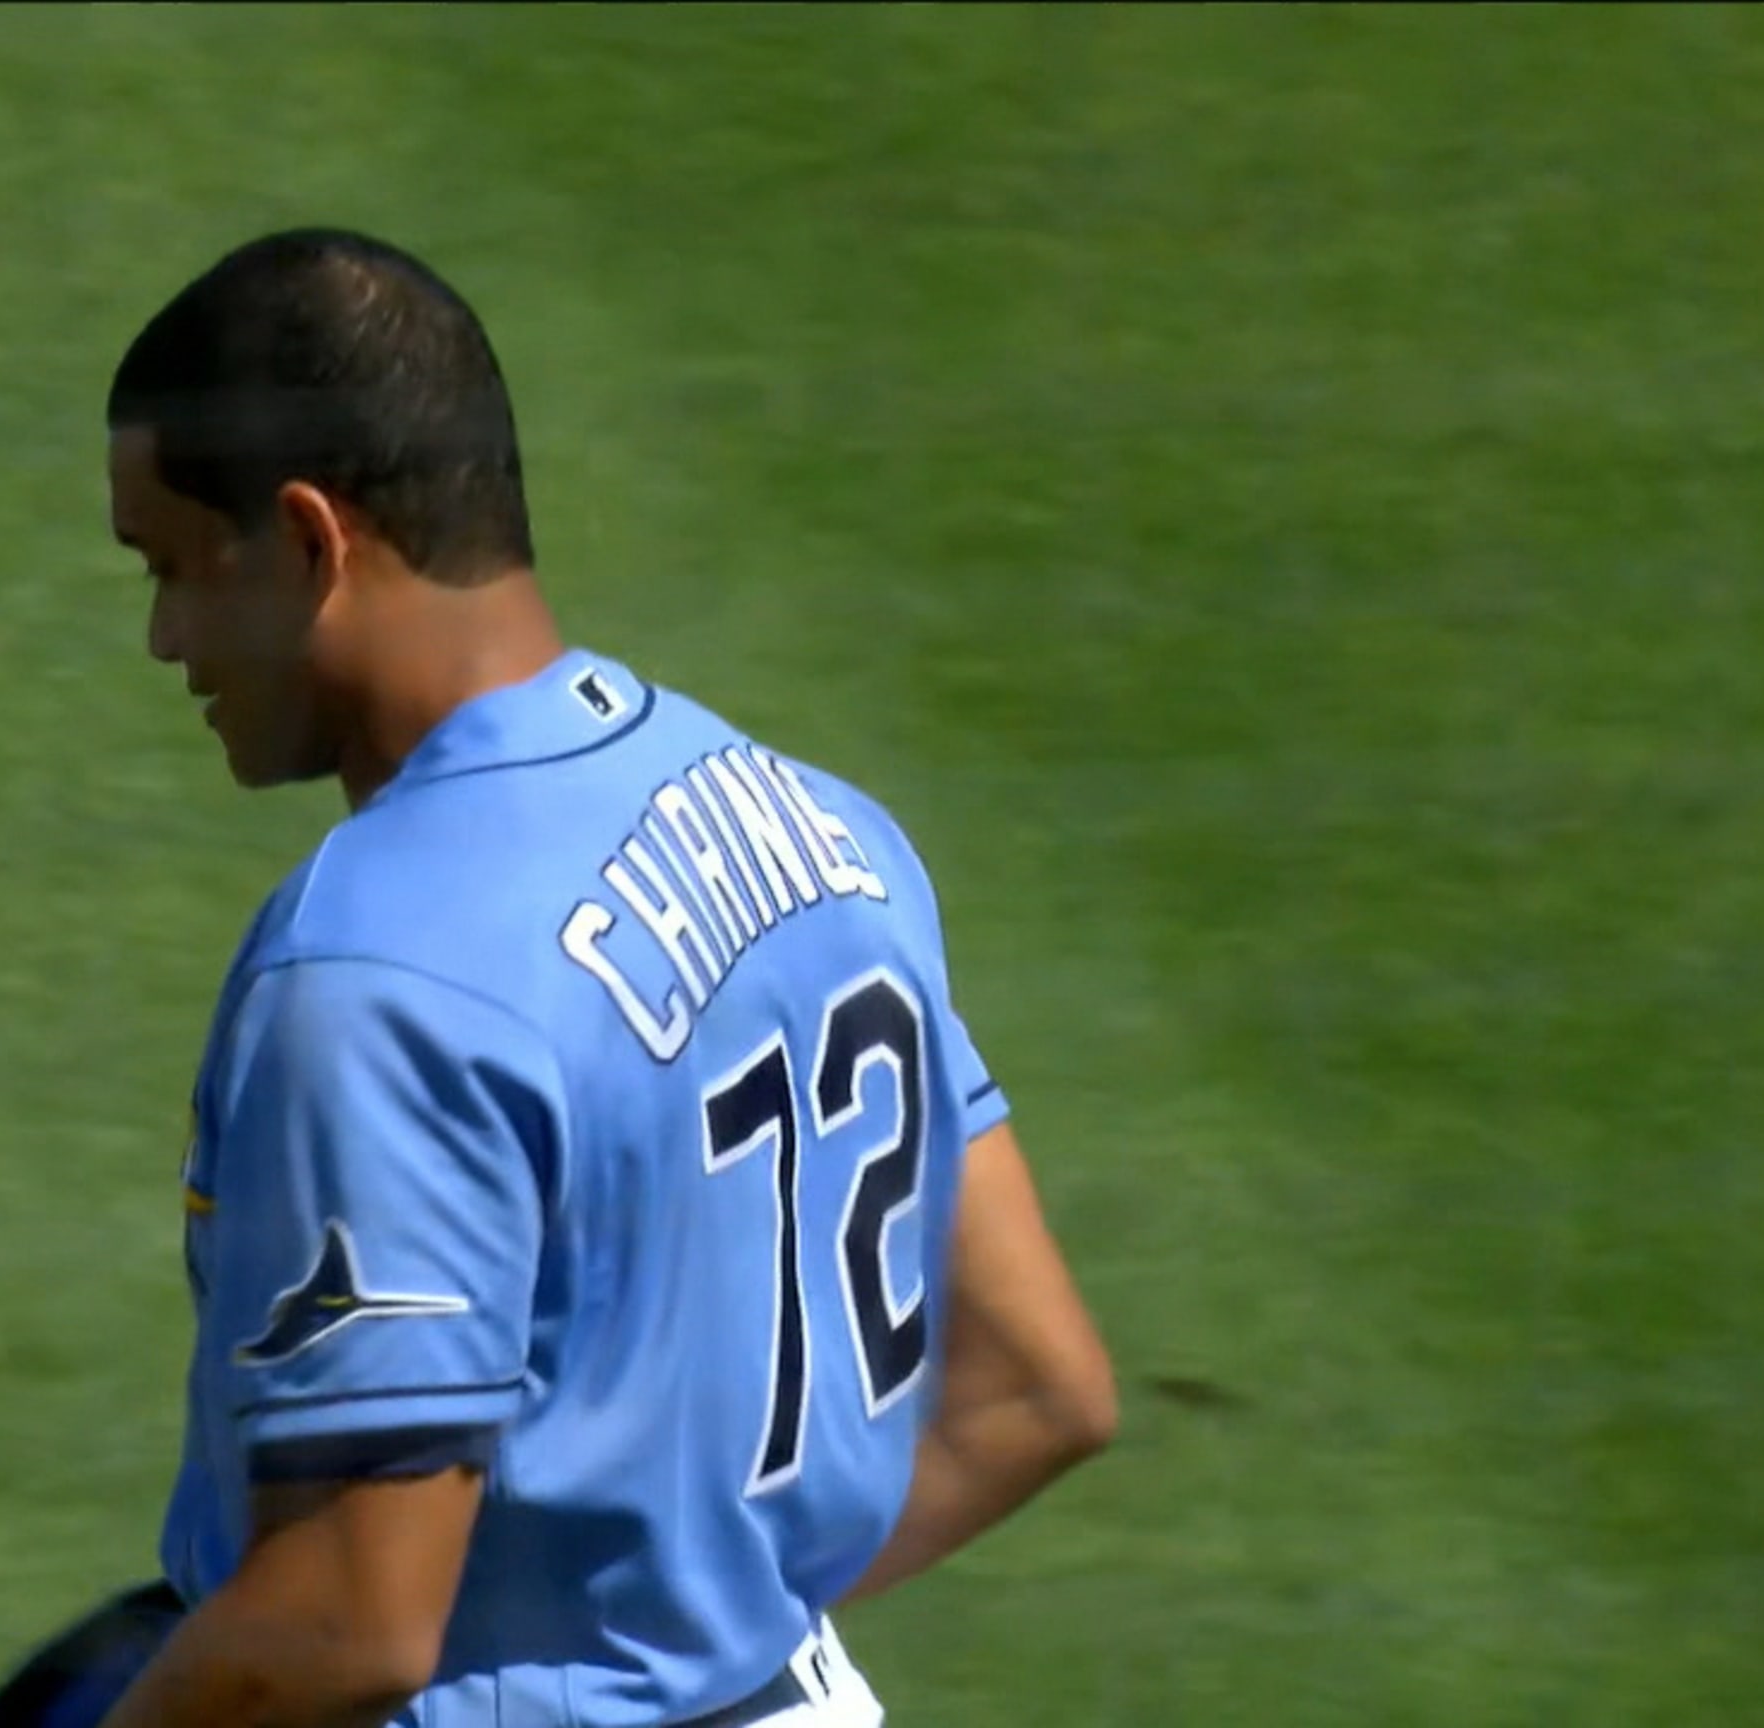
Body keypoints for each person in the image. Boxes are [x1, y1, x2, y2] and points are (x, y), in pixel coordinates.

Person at [88, 227, 1116, 1728]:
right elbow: (1036, 1389)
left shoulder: (378, 971)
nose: (166, 636)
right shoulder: (819, 825)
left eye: (176, 567)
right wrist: (701, 1622)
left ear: (311, 541)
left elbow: (354, 1624)